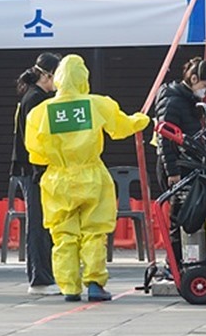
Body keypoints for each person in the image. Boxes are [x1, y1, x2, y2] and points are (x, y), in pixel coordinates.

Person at [25, 54, 149, 302]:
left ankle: (70, 287)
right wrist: (142, 119)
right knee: (94, 232)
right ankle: (94, 283)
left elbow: (35, 152)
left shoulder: (40, 113)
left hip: (58, 180)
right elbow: (122, 127)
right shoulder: (97, 104)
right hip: (92, 177)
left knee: (63, 236)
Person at [153, 57, 206, 267]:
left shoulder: (189, 101)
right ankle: (176, 263)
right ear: (194, 78)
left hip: (190, 165)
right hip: (178, 168)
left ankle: (189, 260)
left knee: (191, 215)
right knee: (179, 217)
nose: (205, 91)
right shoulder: (173, 101)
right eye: (205, 85)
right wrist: (172, 171)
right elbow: (164, 138)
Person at [11, 53, 61, 296]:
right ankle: (39, 279)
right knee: (38, 225)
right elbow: (34, 141)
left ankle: (46, 275)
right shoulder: (35, 100)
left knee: (44, 224)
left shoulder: (37, 97)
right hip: (33, 171)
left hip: (36, 170)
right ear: (47, 75)